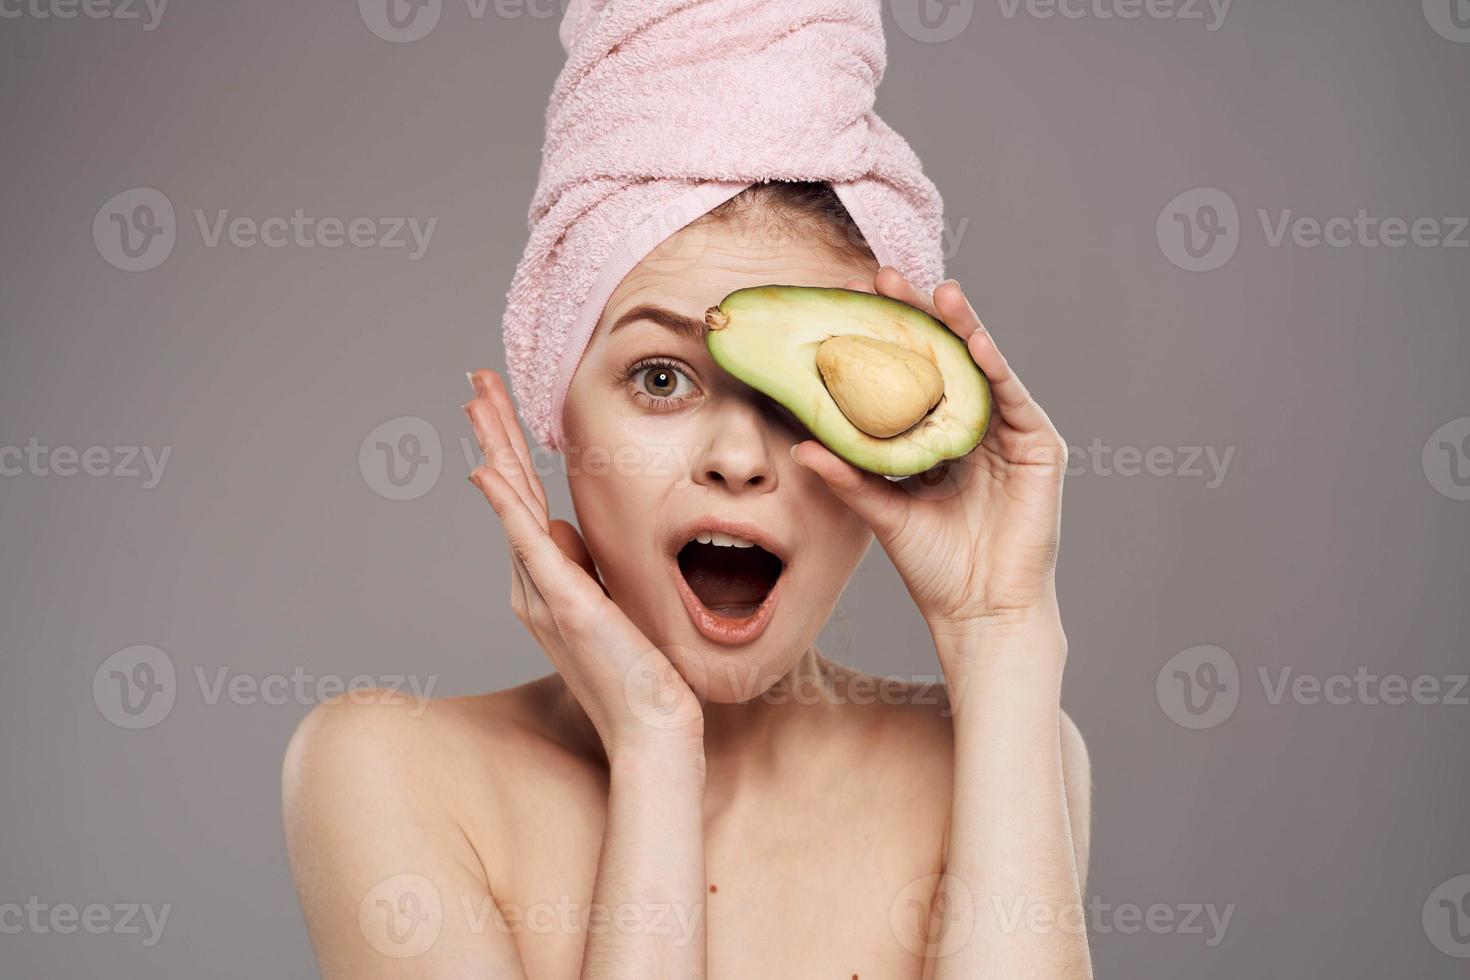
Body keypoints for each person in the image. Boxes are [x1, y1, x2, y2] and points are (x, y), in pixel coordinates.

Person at [284, 2, 1093, 975]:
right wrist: (656, 745)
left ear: (893, 448)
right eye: (660, 377)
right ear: (557, 407)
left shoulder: (1000, 759)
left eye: (809, 395)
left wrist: (1002, 631)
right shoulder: (387, 768)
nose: (739, 458)